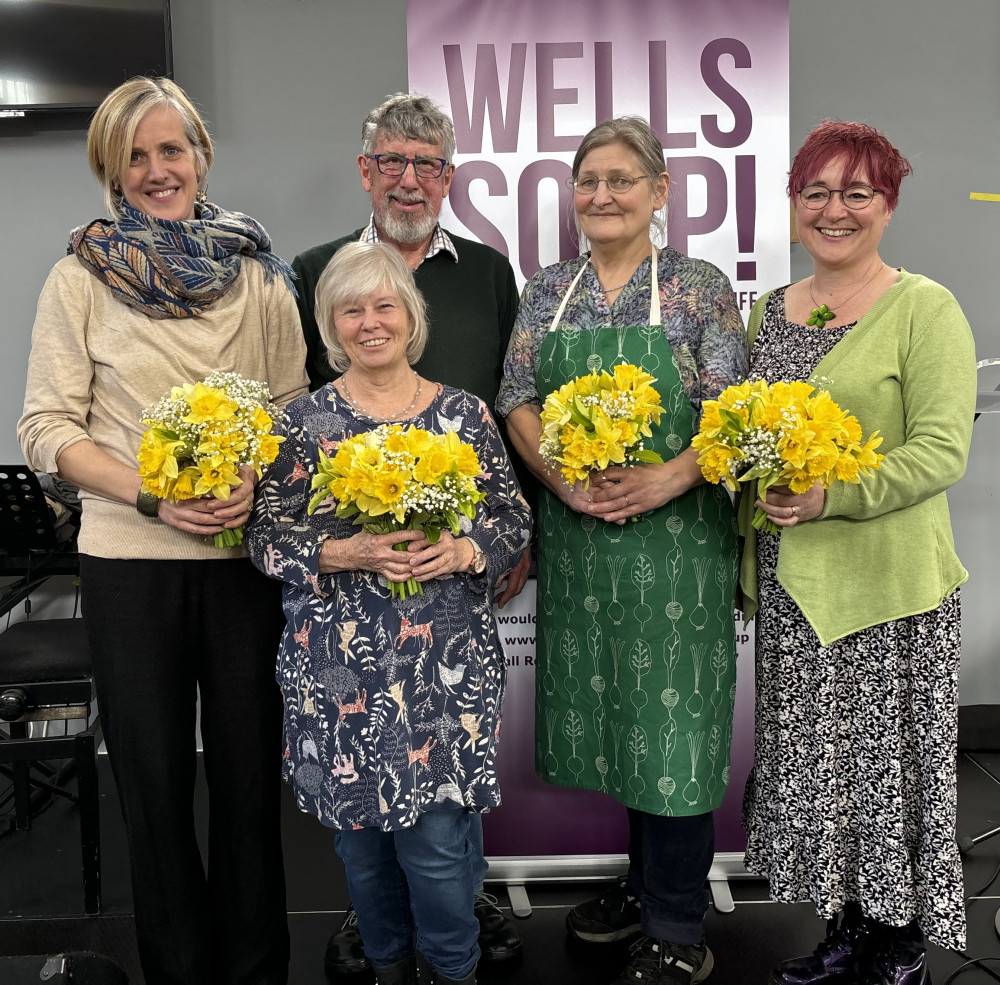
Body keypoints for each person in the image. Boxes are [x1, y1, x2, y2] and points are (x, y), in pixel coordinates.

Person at [17, 78, 308, 985]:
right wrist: (153, 495)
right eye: (135, 156)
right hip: (127, 565)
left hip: (240, 563)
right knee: (153, 788)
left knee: (251, 785)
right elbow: (46, 430)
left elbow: (294, 405)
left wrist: (256, 477)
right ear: (113, 169)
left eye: (170, 150)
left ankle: (256, 970)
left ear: (200, 156)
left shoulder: (260, 276)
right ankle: (178, 972)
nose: (156, 170)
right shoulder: (78, 279)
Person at [497, 117, 746, 985]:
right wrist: (560, 481)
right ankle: (642, 887)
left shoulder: (698, 288)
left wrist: (669, 479)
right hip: (584, 538)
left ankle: (679, 919)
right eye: (588, 180)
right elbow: (518, 396)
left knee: (673, 724)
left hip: (677, 543)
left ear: (660, 192)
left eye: (621, 180)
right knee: (622, 718)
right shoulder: (548, 288)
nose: (601, 195)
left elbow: (732, 412)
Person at [246, 241, 531, 985]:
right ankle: (386, 967)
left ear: (412, 315)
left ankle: (453, 970)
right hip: (338, 677)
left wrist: (467, 552)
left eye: (385, 306)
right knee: (362, 850)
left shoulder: (463, 415)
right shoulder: (300, 424)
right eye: (351, 309)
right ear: (330, 325)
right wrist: (350, 553)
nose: (370, 323)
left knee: (438, 850)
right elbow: (266, 538)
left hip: (444, 677)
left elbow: (512, 520)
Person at [739, 120, 976, 985]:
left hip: (890, 588)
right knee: (821, 772)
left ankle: (899, 941)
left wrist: (833, 495)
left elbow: (941, 450)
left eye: (857, 193)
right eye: (816, 192)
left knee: (887, 773)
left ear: (889, 204)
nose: (834, 210)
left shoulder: (925, 306)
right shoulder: (769, 310)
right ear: (795, 205)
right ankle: (844, 924)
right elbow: (751, 435)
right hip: (795, 584)